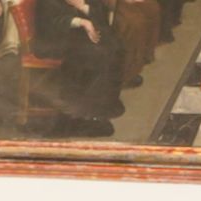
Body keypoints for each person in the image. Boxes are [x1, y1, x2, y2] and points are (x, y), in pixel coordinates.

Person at [32, 0, 129, 134]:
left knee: (115, 47)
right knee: (95, 55)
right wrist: (81, 22)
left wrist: (83, 7)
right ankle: (84, 117)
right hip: (54, 39)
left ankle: (104, 104)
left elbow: (100, 13)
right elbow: (49, 22)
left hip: (77, 35)